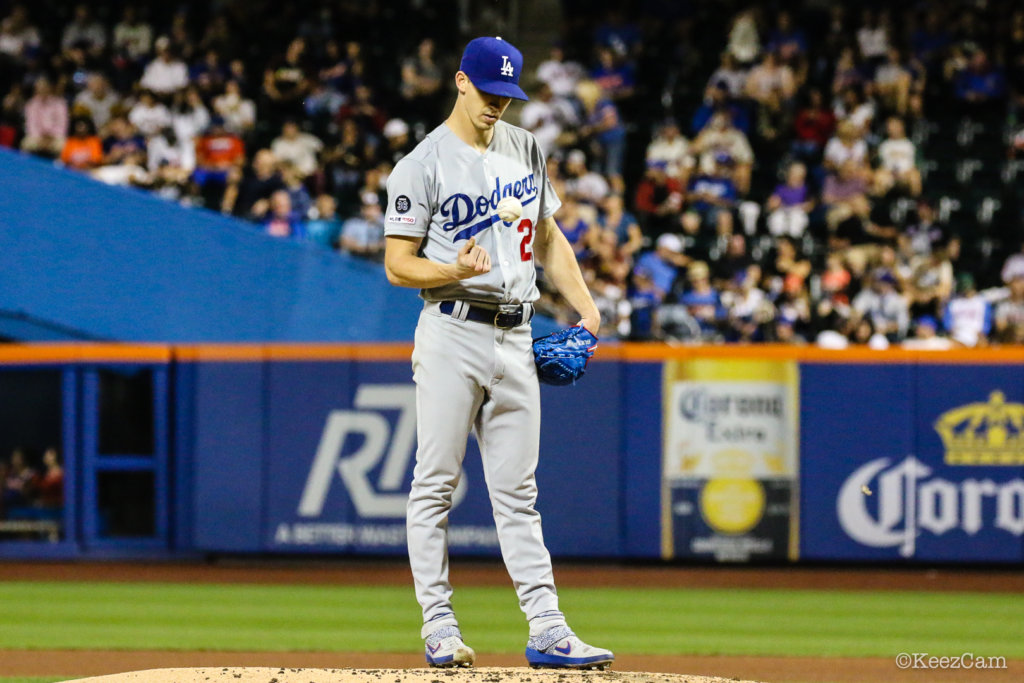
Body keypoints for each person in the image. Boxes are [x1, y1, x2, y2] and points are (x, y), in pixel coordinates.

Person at [382, 36, 613, 671]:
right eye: (488, 93)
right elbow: (397, 265)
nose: (497, 106)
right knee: (434, 485)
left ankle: (548, 629)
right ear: (460, 82)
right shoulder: (421, 163)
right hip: (452, 329)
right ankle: (439, 627)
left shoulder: (524, 147)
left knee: (519, 493)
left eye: (507, 96)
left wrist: (586, 307)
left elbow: (546, 235)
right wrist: (447, 265)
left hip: (517, 332)